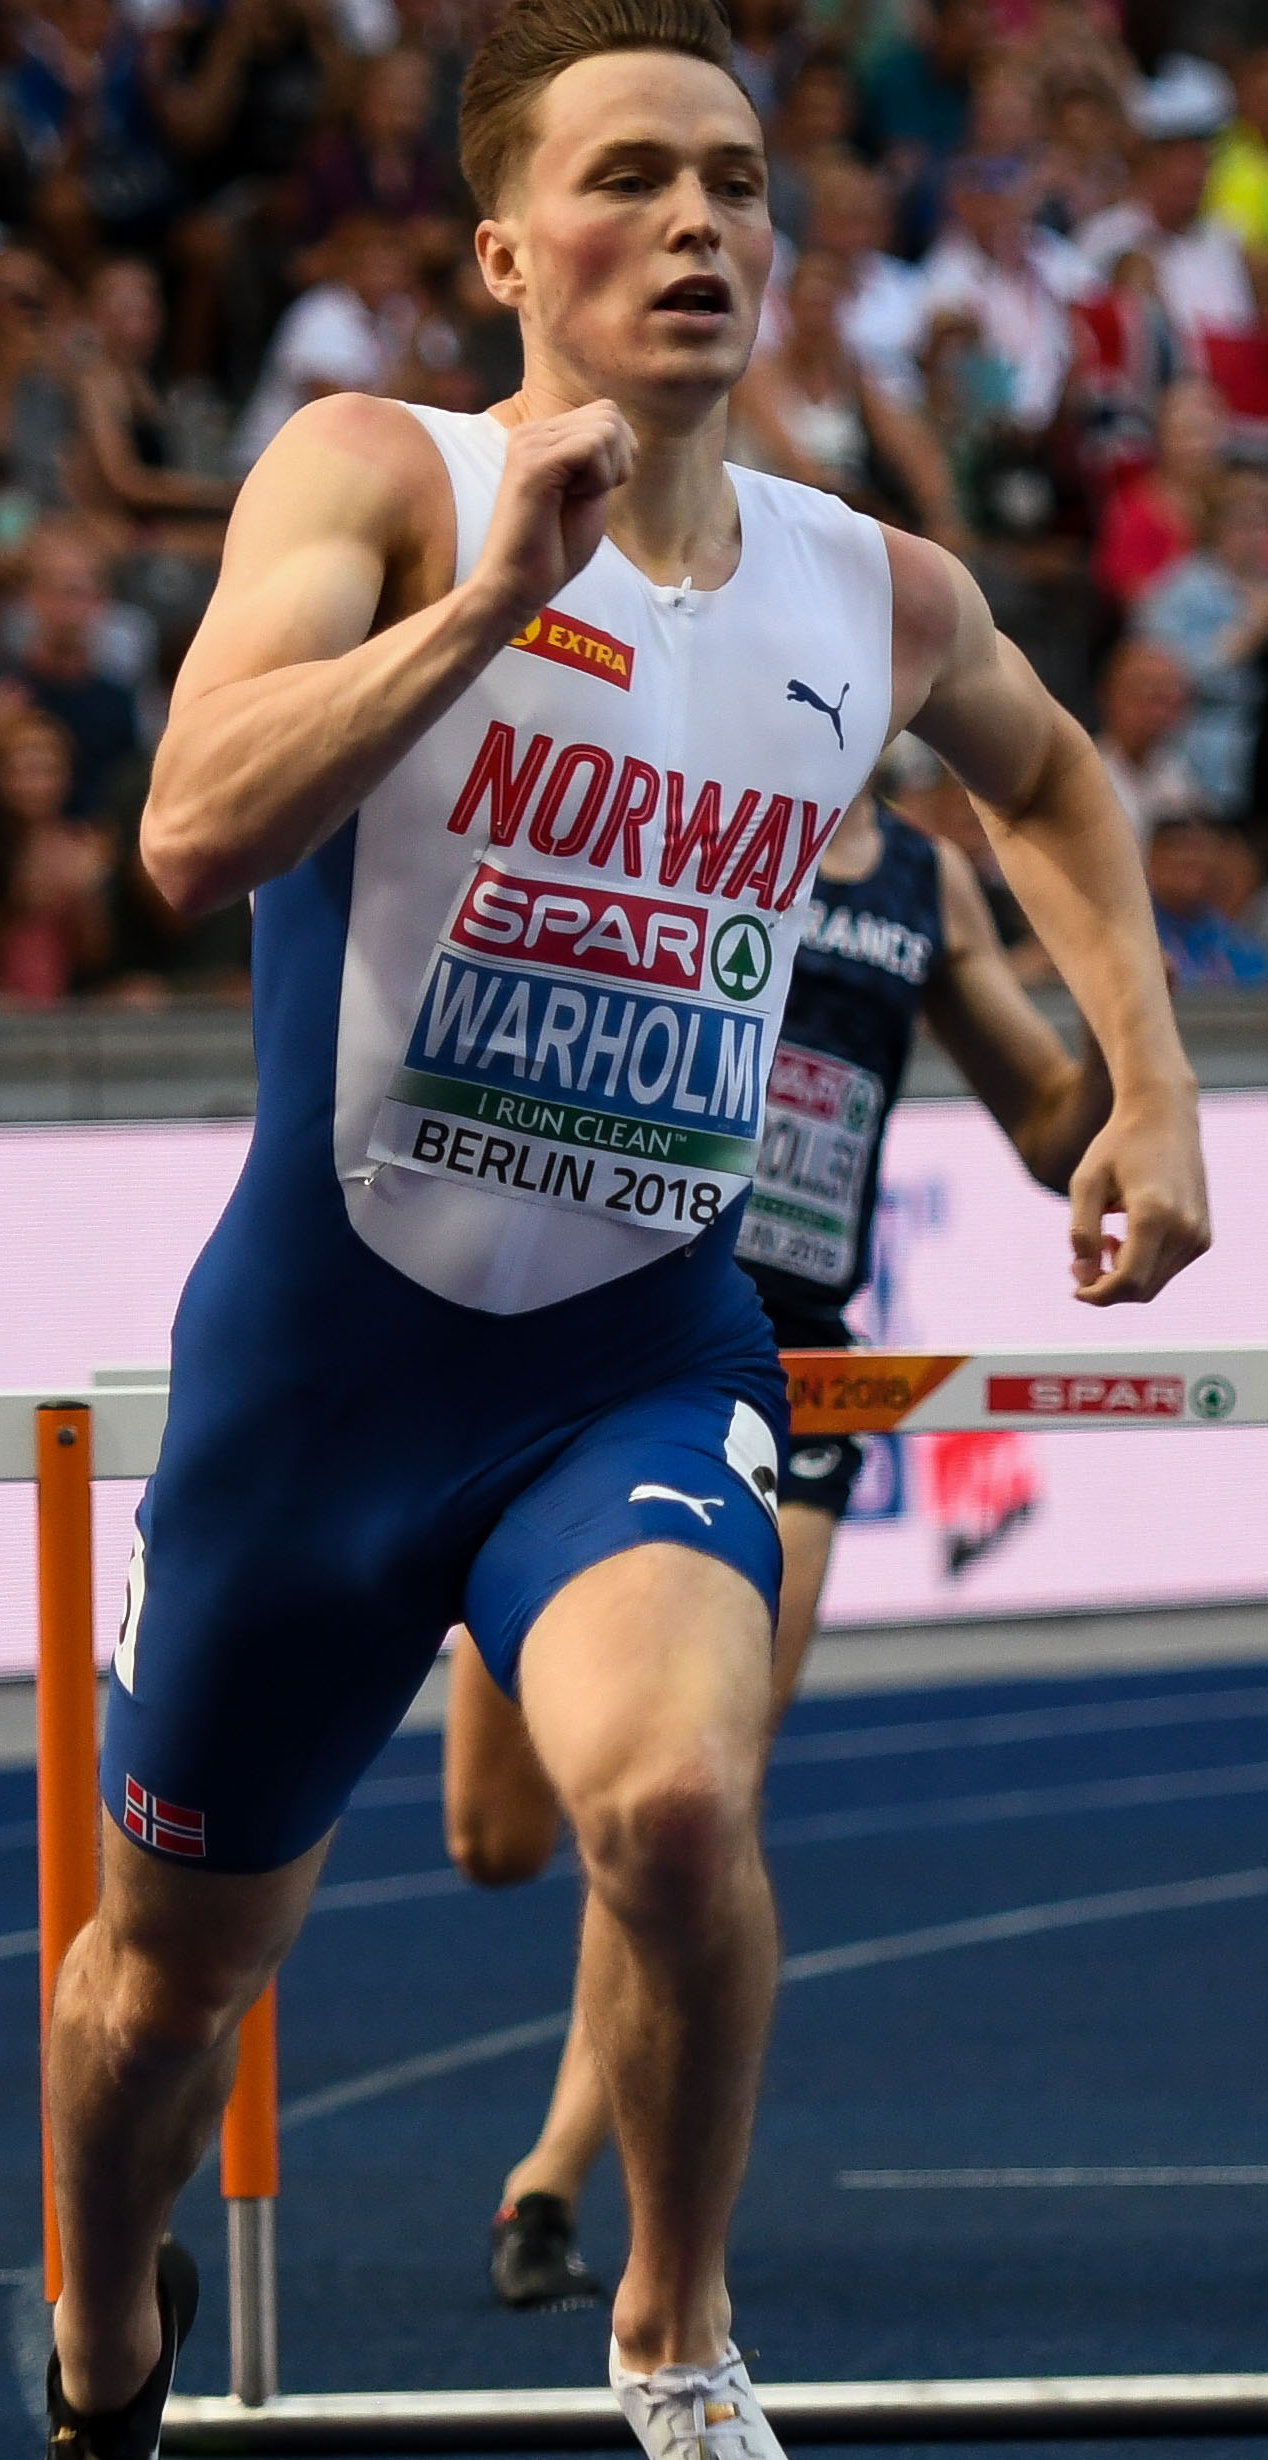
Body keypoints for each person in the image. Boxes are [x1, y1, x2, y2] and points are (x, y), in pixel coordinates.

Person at [43, 0, 1209, 2460]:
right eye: (623, 179)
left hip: (629, 1355)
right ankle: (104, 2375)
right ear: (498, 249)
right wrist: (485, 612)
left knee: (674, 1818)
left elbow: (1051, 784)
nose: (690, 219)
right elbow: (190, 829)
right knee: (149, 1999)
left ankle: (672, 2332)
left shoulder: (863, 589)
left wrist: (1148, 1090)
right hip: (319, 1388)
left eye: (729, 180)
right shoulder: (373, 475)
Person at [438, 742, 1108, 2307]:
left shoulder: (922, 877)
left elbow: (1044, 1124)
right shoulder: (681, 799)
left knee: (689, 1793)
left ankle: (551, 2176)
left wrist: (1139, 1042)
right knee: (494, 1835)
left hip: (793, 1370)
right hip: (588, 1345)